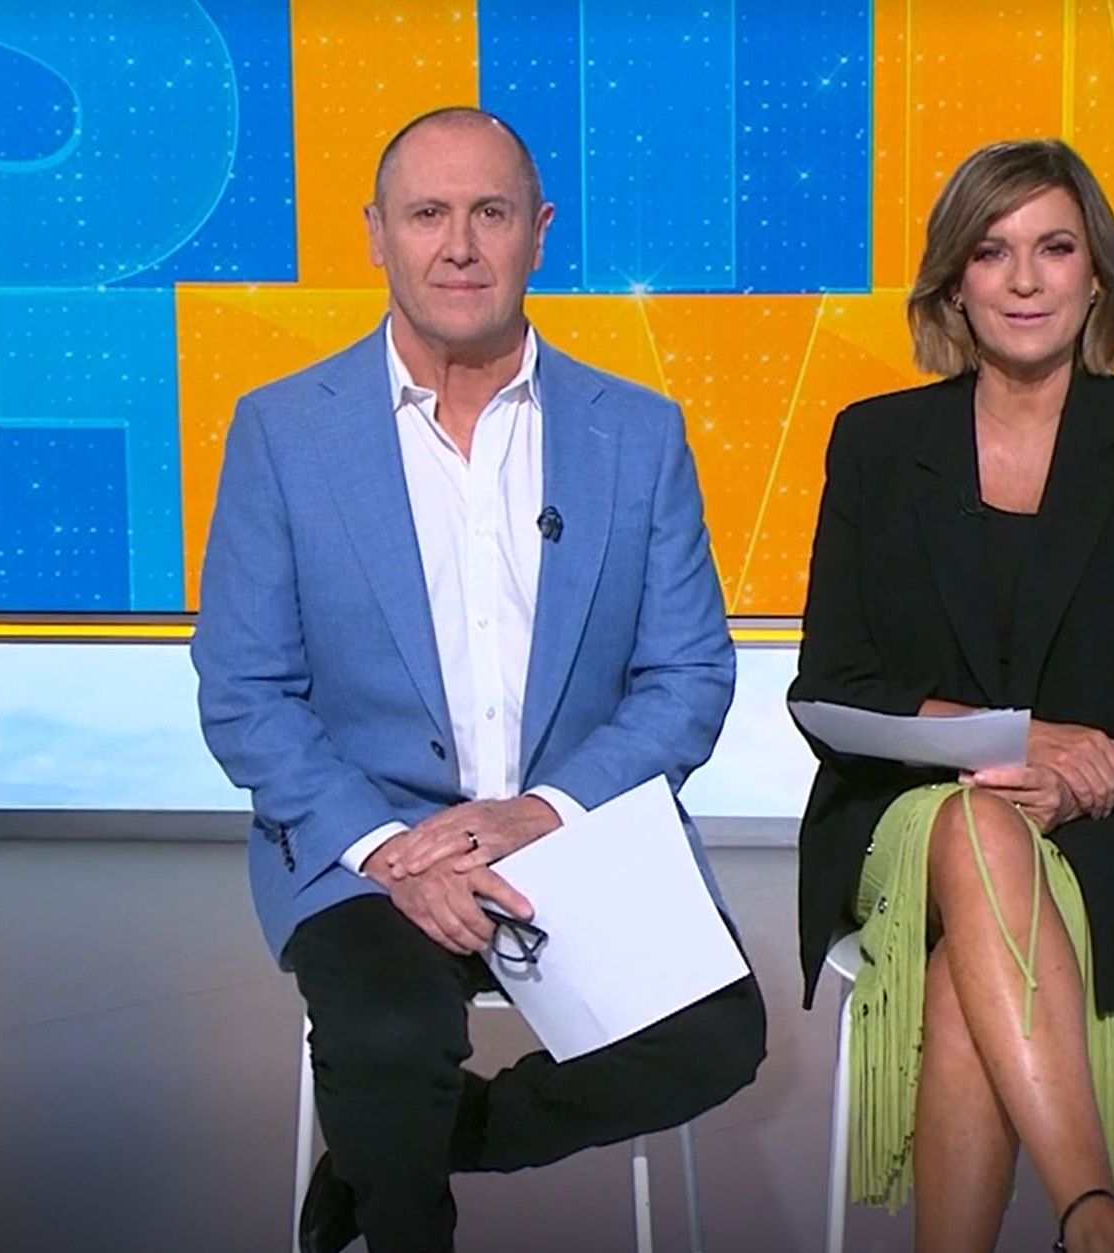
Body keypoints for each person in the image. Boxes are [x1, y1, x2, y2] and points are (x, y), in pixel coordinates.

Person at [193, 106, 767, 1253]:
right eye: (427, 214)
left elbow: (688, 675)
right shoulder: (283, 432)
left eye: (489, 213)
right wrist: (390, 850)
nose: (458, 245)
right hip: (368, 847)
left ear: (538, 232)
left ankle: (395, 1145)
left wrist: (537, 813)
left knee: (713, 1037)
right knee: (386, 1038)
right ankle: (397, 1176)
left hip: (572, 834)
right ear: (377, 233)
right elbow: (245, 689)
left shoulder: (636, 432)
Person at [788, 138, 1114, 1253]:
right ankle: (1093, 1213)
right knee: (974, 822)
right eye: (993, 252)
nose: (1026, 279)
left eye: (1055, 248)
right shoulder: (876, 441)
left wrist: (1095, 777)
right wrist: (1020, 742)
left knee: (970, 970)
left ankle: (1084, 1220)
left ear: (1096, 275)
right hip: (902, 812)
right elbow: (834, 682)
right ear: (954, 281)